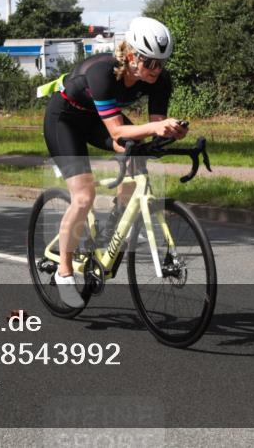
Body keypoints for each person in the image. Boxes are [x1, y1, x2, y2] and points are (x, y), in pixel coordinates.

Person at [41, 17, 187, 308]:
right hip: (65, 121)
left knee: (138, 157)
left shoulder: (159, 80)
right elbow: (118, 131)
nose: (157, 70)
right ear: (132, 56)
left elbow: (155, 126)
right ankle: (64, 272)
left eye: (162, 63)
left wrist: (172, 131)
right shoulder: (102, 72)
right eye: (151, 63)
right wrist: (155, 130)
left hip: (97, 119)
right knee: (84, 197)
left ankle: (113, 229)